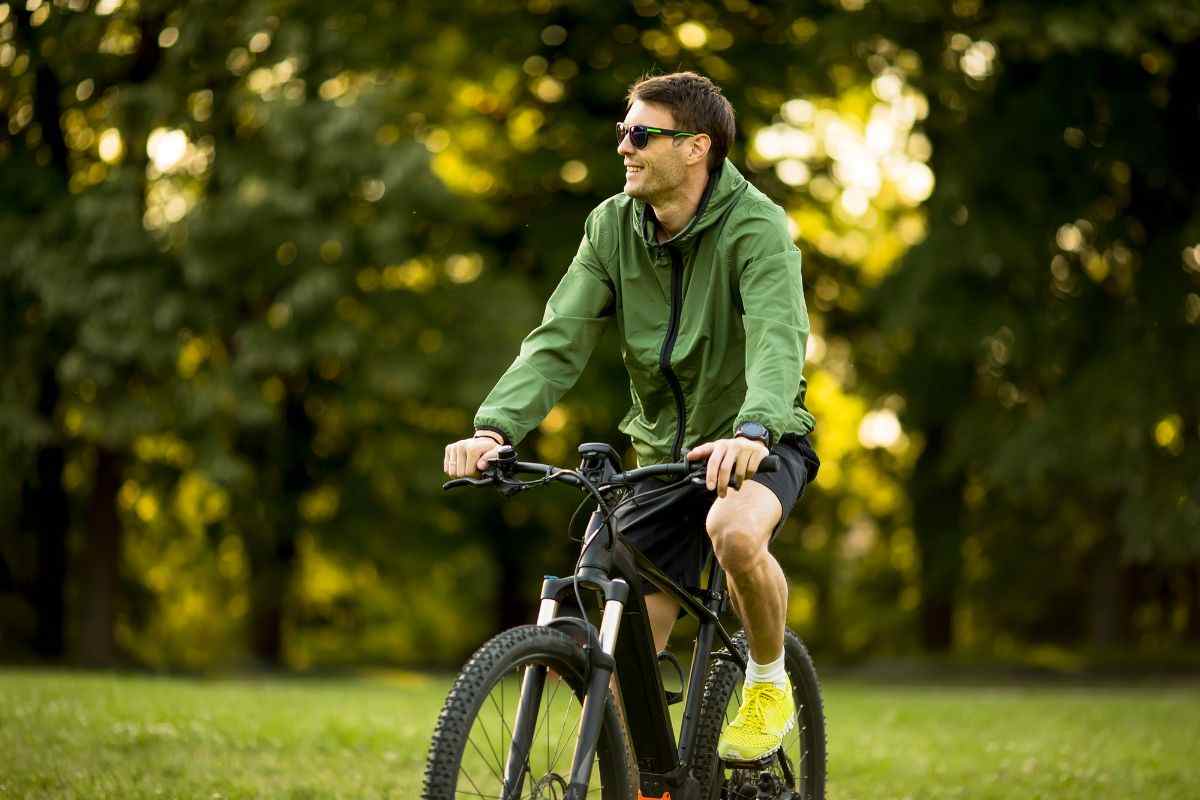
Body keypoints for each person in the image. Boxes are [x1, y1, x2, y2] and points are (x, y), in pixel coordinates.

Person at [443, 71, 819, 764]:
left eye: (641, 135)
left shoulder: (755, 226)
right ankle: (649, 781)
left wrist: (753, 429)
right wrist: (494, 427)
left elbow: (777, 335)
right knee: (610, 659)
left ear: (697, 147)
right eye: (622, 132)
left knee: (732, 531)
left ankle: (768, 680)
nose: (624, 147)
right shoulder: (611, 227)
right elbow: (559, 340)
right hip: (659, 460)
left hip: (759, 441)